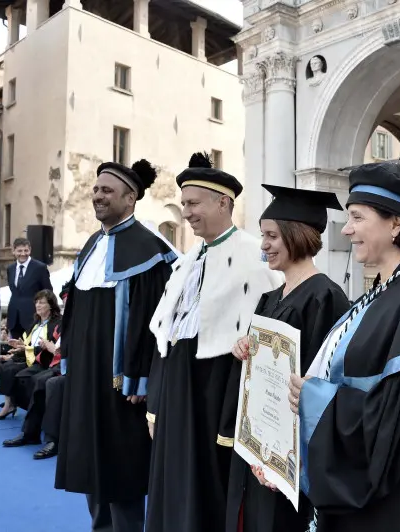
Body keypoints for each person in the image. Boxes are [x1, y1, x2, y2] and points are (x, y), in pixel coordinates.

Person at [287, 159, 400, 531]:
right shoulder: (384, 293)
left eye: (357, 217)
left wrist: (318, 398)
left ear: (395, 223)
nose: (346, 230)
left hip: (396, 509)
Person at [145, 152, 283, 532]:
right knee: (172, 484)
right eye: (184, 204)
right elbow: (166, 336)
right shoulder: (187, 259)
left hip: (216, 391)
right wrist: (155, 403)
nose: (186, 212)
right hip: (176, 388)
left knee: (208, 490)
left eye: (193, 203)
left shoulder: (255, 258)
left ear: (223, 203)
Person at [55, 159, 176, 532]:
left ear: (131, 199)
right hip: (86, 376)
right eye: (95, 190)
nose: (97, 196)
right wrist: (68, 359)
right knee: (92, 462)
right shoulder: (91, 244)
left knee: (122, 468)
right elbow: (73, 307)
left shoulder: (151, 250)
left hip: (121, 383)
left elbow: (156, 323)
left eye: (107, 191)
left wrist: (139, 379)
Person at [225, 185, 352, 532]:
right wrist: (244, 349)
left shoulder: (327, 297)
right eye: (262, 235)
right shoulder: (270, 297)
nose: (263, 245)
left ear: (297, 236)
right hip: (261, 446)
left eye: (272, 236)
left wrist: (288, 455)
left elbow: (325, 383)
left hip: (293, 456)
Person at [0, 289, 62, 445]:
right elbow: (32, 344)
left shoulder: (59, 323)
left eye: (42, 302)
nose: (38, 305)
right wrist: (20, 346)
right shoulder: (36, 323)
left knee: (34, 380)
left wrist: (28, 349)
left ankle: (35, 428)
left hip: (50, 363)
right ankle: (23, 416)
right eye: (37, 302)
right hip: (37, 359)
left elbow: (53, 350)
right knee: (12, 371)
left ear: (51, 305)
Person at [7, 237, 53, 340]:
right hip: (14, 318)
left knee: (30, 352)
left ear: (30, 250)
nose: (23, 254)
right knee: (15, 352)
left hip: (33, 317)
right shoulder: (10, 269)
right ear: (13, 251)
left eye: (26, 250)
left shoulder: (40, 267)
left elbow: (48, 292)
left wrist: (44, 312)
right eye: (19, 251)